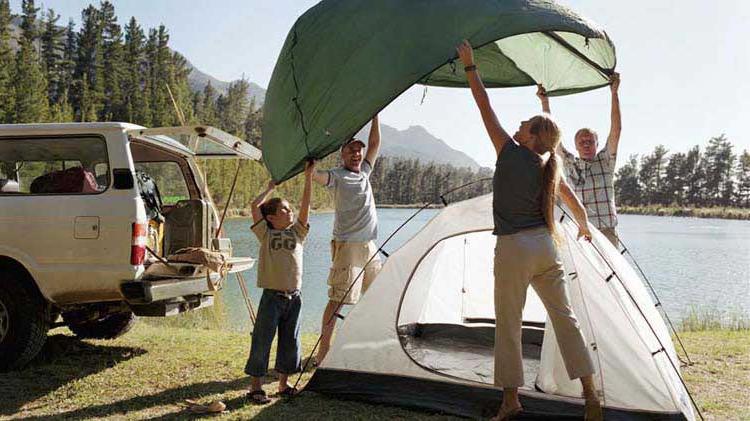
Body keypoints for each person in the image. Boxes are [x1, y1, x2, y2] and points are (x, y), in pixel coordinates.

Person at [456, 40, 603, 421]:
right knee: (564, 318)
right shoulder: (551, 166)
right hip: (545, 247)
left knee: (509, 324)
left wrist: (471, 66)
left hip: (514, 249)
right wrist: (584, 228)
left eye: (524, 124)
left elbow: (483, 105)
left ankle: (510, 401)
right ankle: (590, 393)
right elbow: (577, 207)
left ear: (532, 136)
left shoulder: (508, 150)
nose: (517, 125)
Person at [311, 115, 382, 363]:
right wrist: (310, 169)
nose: (357, 154)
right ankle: (323, 353)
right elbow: (317, 177)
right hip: (348, 246)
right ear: (342, 154)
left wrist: (375, 115)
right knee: (338, 299)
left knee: (376, 296)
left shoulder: (364, 171)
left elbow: (375, 144)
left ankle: (367, 346)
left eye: (359, 151)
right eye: (352, 150)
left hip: (369, 246)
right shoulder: (337, 176)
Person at [244, 161, 315, 404]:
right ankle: (255, 387)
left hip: (294, 297)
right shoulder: (266, 233)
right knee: (262, 339)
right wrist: (270, 187)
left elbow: (305, 207)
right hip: (272, 297)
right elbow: (255, 206)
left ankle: (283, 385)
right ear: (272, 218)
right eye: (285, 210)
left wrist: (308, 178)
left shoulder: (297, 233)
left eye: (289, 208)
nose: (291, 211)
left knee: (290, 341)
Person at [536, 72, 622, 247]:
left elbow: (616, 129)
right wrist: (544, 102)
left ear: (597, 144)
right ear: (575, 146)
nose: (586, 144)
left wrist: (614, 93)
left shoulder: (606, 161)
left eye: (590, 141)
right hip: (580, 231)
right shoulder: (569, 163)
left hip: (607, 232)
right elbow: (552, 135)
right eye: (581, 142)